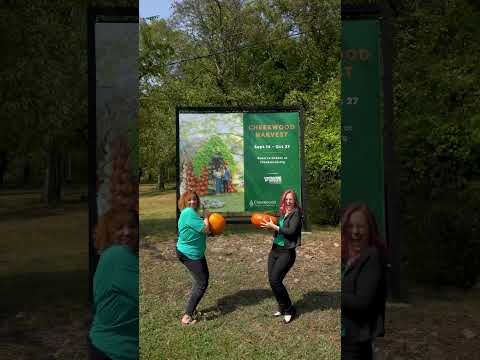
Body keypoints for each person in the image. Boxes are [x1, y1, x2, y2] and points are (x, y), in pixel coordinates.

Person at [89, 208, 139, 360]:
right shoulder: (118, 255)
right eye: (119, 228)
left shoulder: (114, 256)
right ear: (108, 232)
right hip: (116, 351)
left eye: (132, 226)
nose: (127, 232)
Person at [341, 203, 387, 360]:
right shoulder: (347, 255)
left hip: (355, 343)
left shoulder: (372, 256)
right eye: (351, 226)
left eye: (360, 227)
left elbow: (362, 302)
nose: (355, 232)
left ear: (370, 230)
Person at [260, 189, 303, 324]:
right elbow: (279, 230)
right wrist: (271, 228)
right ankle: (282, 306)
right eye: (286, 199)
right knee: (272, 281)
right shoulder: (283, 213)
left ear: (295, 200)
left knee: (276, 280)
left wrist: (276, 227)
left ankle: (290, 309)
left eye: (291, 199)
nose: (288, 201)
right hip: (275, 250)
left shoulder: (296, 213)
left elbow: (290, 231)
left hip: (287, 252)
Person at [176, 191, 211, 325]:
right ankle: (187, 316)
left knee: (201, 280)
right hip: (190, 254)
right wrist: (207, 217)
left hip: (194, 253)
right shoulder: (188, 213)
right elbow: (205, 229)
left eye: (195, 200)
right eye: (189, 200)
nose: (193, 202)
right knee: (202, 283)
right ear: (184, 202)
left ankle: (191, 309)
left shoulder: (190, 213)